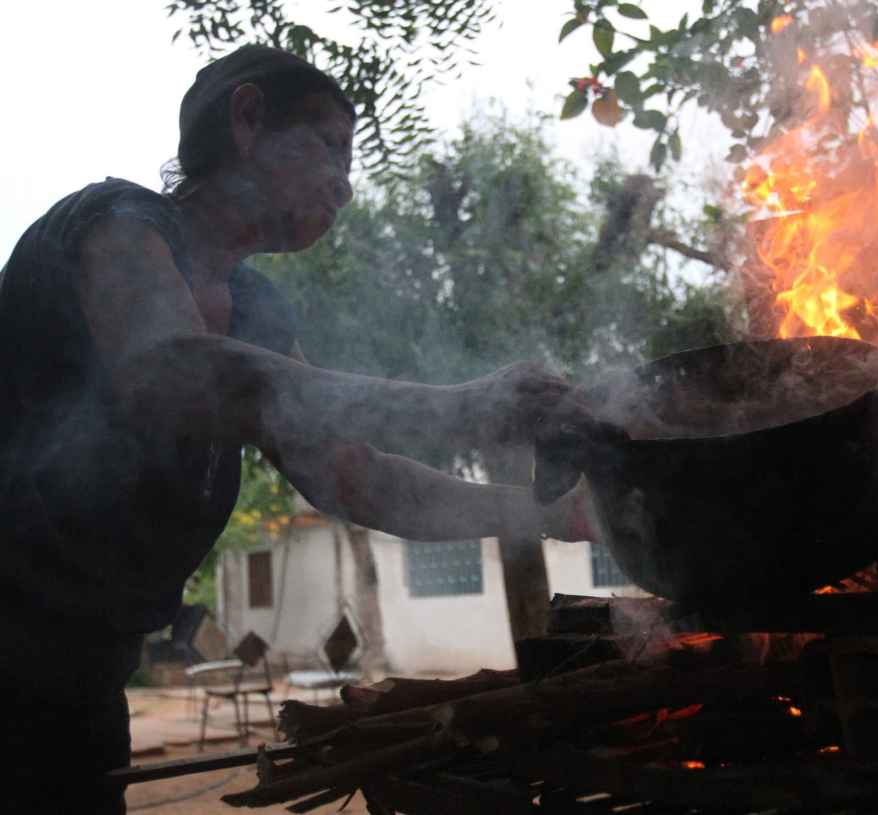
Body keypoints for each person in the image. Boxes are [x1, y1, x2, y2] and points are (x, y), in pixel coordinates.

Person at [0, 45, 592, 812]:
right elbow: (172, 371)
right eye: (329, 147)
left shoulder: (258, 312)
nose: (345, 188)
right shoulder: (115, 221)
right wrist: (461, 404)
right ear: (247, 120)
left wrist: (544, 513)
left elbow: (356, 476)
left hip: (77, 682)